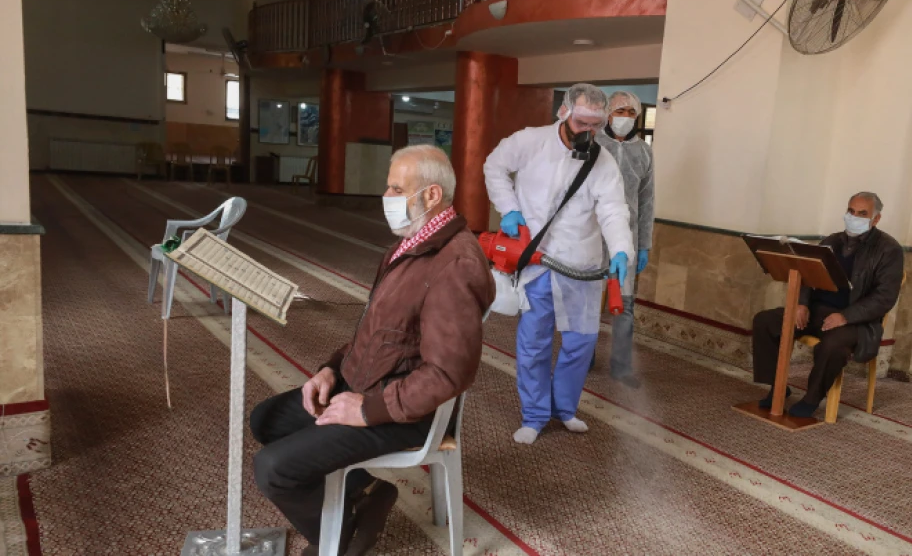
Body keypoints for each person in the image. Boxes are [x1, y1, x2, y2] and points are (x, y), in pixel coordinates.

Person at [250, 145, 495, 556]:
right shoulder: (413, 244)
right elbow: (380, 332)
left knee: (273, 469)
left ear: (431, 196)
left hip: (404, 410)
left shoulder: (454, 265)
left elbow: (448, 375)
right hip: (368, 380)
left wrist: (366, 410)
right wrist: (331, 370)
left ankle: (340, 535)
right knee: (267, 420)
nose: (386, 197)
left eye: (396, 188)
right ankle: (364, 492)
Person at [484, 83, 634, 445]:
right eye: (582, 122)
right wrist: (510, 209)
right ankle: (534, 415)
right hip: (536, 261)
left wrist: (620, 250)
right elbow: (494, 166)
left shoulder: (603, 161)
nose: (589, 132)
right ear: (564, 112)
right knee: (534, 341)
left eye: (595, 125)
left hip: (581, 264)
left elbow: (613, 209)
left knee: (581, 343)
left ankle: (564, 408)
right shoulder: (530, 141)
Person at [752, 192, 904, 418]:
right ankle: (778, 387)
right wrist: (802, 304)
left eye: (862, 213)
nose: (854, 217)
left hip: (856, 321)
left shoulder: (889, 250)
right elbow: (806, 272)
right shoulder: (832, 241)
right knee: (765, 321)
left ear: (876, 219)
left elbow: (884, 297)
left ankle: (812, 398)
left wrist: (845, 316)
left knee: (833, 346)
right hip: (816, 311)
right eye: (851, 211)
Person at [593, 90, 655, 389]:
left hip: (626, 239)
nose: (624, 118)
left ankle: (620, 367)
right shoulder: (593, 145)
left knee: (624, 304)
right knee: (588, 301)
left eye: (630, 112)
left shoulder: (643, 152)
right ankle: (582, 358)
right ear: (607, 114)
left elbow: (646, 200)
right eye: (620, 111)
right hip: (591, 235)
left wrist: (643, 244)